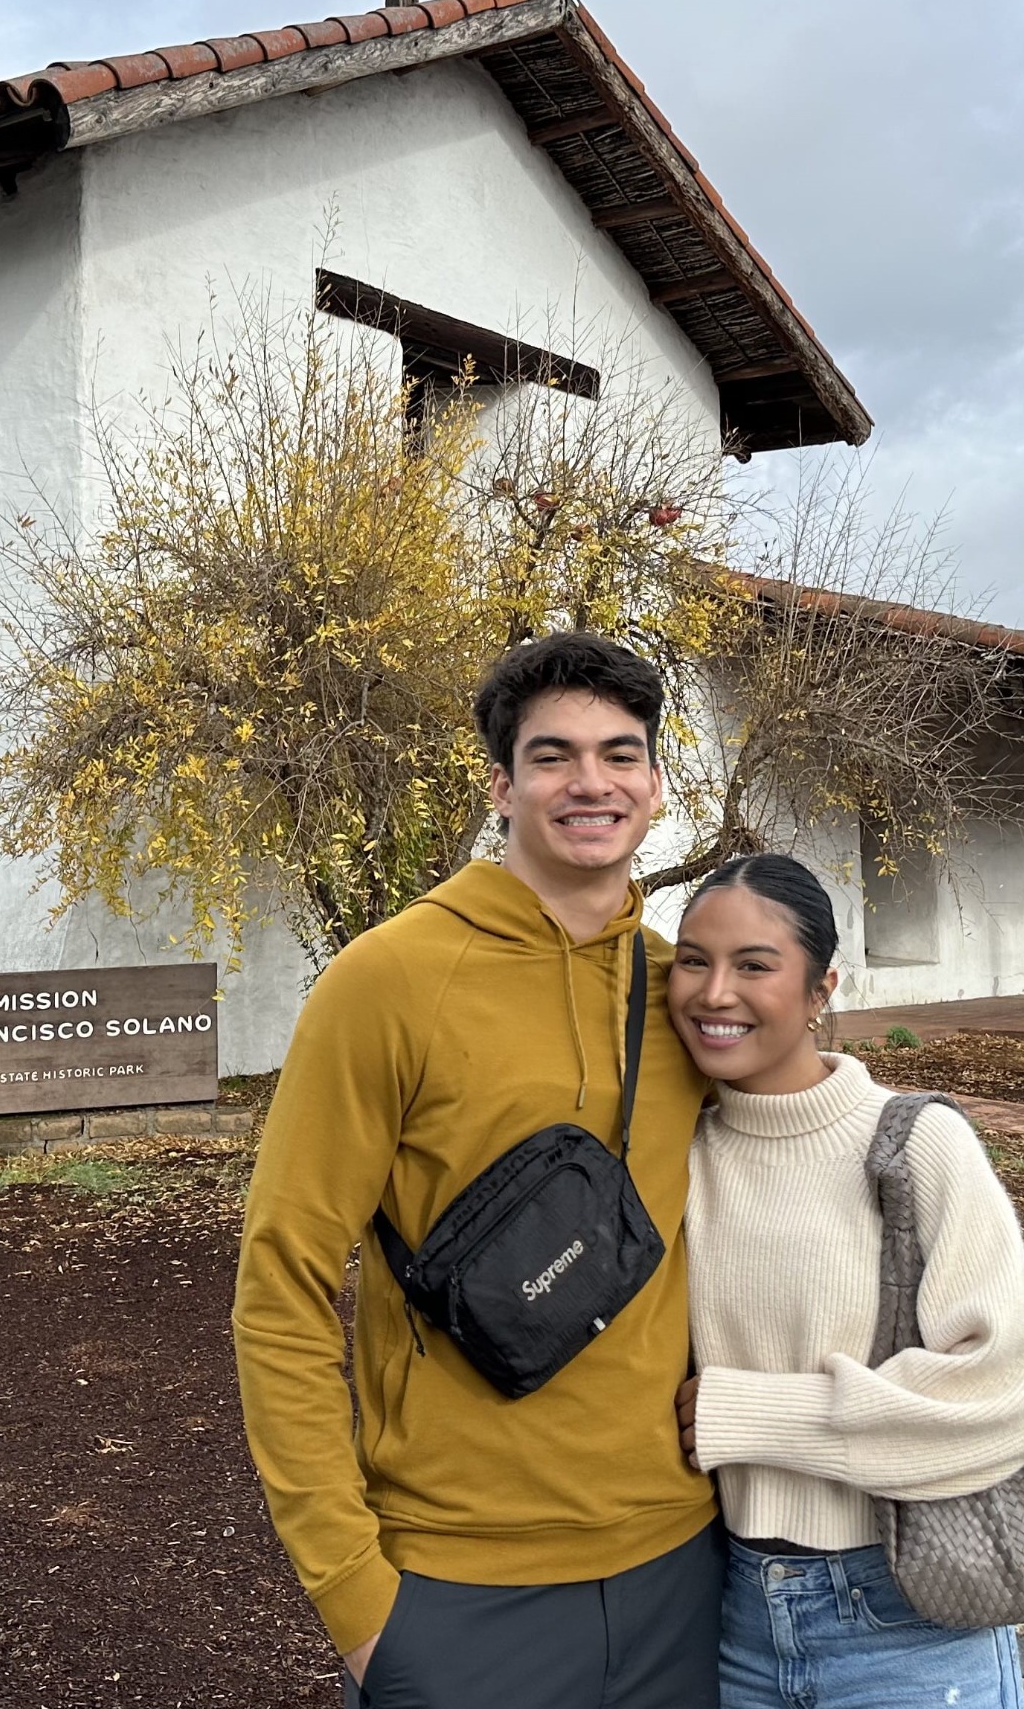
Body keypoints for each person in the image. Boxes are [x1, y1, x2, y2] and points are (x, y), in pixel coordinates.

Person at [234, 632, 721, 1709]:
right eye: (553, 756)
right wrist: (358, 1601)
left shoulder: (686, 993)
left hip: (688, 1565)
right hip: (457, 1586)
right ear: (500, 784)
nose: (591, 781)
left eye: (621, 753)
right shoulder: (386, 982)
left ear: (655, 780)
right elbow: (283, 1285)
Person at [667, 853, 1024, 1709]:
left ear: (821, 990)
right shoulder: (677, 1160)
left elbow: (1008, 1396)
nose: (713, 992)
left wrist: (751, 1414)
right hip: (725, 1617)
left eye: (755, 965)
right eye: (693, 960)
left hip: (904, 1620)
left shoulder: (917, 1148)